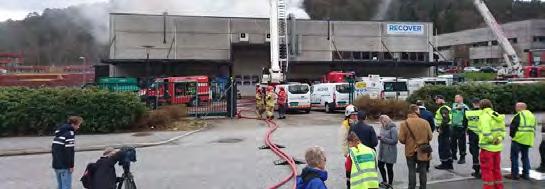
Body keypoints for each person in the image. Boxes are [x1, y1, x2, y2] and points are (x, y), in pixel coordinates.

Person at [399, 105, 433, 189]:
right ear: (416, 111)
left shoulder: (404, 123)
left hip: (410, 150)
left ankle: (411, 187)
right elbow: (430, 137)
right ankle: (423, 187)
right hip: (423, 150)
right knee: (423, 170)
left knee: (411, 170)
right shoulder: (425, 122)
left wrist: (409, 142)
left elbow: (401, 139)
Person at [478, 99, 506, 189]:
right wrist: (499, 139)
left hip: (487, 147)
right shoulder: (497, 115)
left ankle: (488, 187)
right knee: (496, 169)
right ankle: (499, 187)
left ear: (481, 106)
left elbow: (486, 132)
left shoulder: (484, 116)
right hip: (497, 147)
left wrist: (491, 139)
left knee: (487, 170)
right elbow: (502, 131)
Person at [505, 102, 536, 180]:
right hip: (528, 139)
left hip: (518, 139)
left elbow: (513, 128)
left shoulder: (518, 115)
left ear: (520, 107)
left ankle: (515, 175)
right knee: (525, 157)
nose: (515, 108)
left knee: (514, 157)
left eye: (516, 107)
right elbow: (534, 128)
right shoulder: (532, 116)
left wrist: (513, 136)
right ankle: (526, 174)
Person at [52, 116, 83, 189]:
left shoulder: (59, 132)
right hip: (64, 165)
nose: (78, 127)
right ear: (73, 124)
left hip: (56, 164)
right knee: (66, 186)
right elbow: (69, 151)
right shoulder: (70, 134)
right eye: (78, 125)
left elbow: (54, 149)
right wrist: (71, 165)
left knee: (60, 185)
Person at [377, 115, 398, 189]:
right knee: (380, 165)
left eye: (382, 121)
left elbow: (395, 141)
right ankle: (384, 181)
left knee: (389, 168)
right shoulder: (382, 127)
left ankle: (390, 183)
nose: (381, 123)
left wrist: (383, 139)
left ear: (385, 121)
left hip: (390, 151)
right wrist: (379, 137)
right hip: (382, 150)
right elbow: (382, 136)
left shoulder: (393, 128)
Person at [434, 95, 453, 170]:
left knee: (443, 147)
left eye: (437, 100)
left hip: (444, 129)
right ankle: (449, 163)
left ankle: (444, 164)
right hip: (447, 129)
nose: (436, 102)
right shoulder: (445, 107)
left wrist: (441, 128)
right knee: (446, 146)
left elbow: (446, 119)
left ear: (442, 99)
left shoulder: (443, 108)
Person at [465, 98, 483, 178]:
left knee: (474, 152)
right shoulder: (483, 112)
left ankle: (476, 170)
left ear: (473, 104)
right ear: (480, 103)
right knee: (484, 152)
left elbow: (464, 123)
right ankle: (484, 169)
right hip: (483, 134)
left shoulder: (468, 113)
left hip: (472, 134)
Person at [341, 104, 358, 188]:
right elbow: (343, 140)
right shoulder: (345, 125)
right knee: (349, 170)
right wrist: (346, 152)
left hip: (358, 150)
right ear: (348, 114)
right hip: (349, 151)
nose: (355, 116)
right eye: (353, 114)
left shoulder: (356, 122)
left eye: (356, 114)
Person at [451, 95, 469, 164]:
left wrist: (466, 127)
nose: (455, 99)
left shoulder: (465, 106)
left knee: (461, 143)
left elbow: (467, 117)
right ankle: (453, 155)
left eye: (456, 97)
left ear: (461, 98)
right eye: (455, 97)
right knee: (452, 142)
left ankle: (462, 157)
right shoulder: (454, 105)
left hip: (461, 127)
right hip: (453, 126)